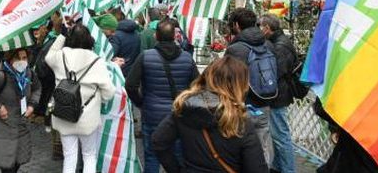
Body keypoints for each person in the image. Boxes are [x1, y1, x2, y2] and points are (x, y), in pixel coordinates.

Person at [151, 57, 268, 173]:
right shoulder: (240, 122)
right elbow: (257, 168)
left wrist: (176, 170)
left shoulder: (184, 108)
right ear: (239, 85)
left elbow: (158, 140)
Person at [125, 19, 199, 173]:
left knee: (152, 156)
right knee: (178, 155)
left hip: (152, 114)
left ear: (156, 36)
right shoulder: (187, 58)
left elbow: (130, 85)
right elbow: (197, 88)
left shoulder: (145, 57)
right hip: (178, 114)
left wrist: (141, 103)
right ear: (175, 36)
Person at [45, 25, 116, 173]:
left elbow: (48, 56)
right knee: (89, 156)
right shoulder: (97, 61)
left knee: (69, 158)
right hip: (88, 118)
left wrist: (62, 36)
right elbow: (109, 93)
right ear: (89, 40)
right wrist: (98, 99)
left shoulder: (60, 56)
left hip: (63, 114)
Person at [225, 8, 277, 165]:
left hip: (240, 106)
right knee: (263, 145)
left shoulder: (235, 49)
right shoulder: (268, 45)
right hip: (264, 103)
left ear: (236, 25)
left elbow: (227, 81)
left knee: (240, 149)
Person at [0, 48, 42, 172]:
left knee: (17, 164)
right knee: (7, 167)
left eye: (24, 58)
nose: (22, 62)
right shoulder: (1, 76)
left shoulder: (29, 74)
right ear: (10, 59)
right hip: (4, 129)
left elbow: (37, 88)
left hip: (22, 128)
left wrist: (32, 105)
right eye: (18, 58)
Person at [259, 13, 297, 173]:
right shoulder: (277, 42)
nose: (259, 29)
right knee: (276, 136)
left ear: (267, 28)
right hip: (277, 95)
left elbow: (277, 71)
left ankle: (288, 170)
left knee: (281, 136)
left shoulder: (281, 45)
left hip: (279, 96)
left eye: (260, 26)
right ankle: (279, 167)